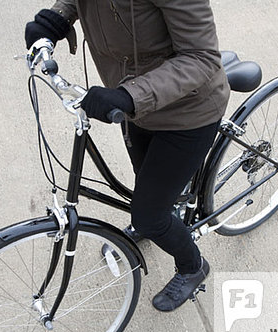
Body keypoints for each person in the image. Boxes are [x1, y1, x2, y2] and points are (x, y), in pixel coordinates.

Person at [25, 0, 230, 312]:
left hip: (188, 113)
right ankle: (160, 216)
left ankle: (193, 266)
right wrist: (56, 18)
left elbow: (201, 58)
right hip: (139, 106)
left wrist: (130, 96)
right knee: (149, 189)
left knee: (149, 214)